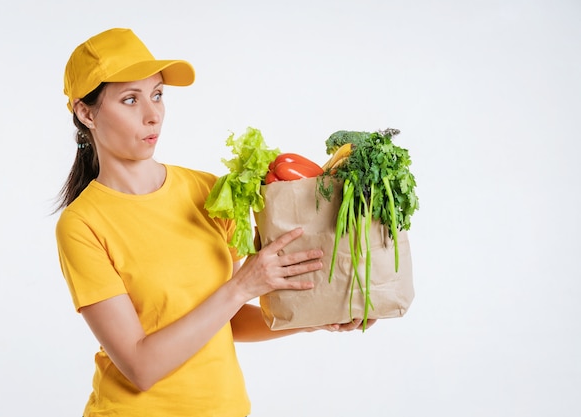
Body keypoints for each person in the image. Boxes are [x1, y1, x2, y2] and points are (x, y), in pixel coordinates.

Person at [55, 27, 372, 417]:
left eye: (157, 95)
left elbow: (229, 320)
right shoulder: (82, 224)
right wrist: (243, 285)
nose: (152, 115)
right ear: (86, 113)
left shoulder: (206, 191)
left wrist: (316, 319)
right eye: (130, 99)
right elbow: (141, 367)